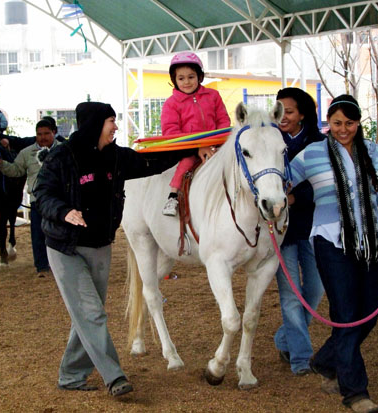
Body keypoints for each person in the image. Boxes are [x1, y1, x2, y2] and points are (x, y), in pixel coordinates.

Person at [33, 101, 201, 397]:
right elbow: (42, 194)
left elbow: (153, 162)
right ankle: (114, 377)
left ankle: (71, 375)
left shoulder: (115, 157)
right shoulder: (62, 156)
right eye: (111, 120)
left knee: (86, 314)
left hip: (99, 245)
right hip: (65, 246)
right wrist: (63, 211)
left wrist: (192, 147)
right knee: (92, 314)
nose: (116, 126)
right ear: (95, 124)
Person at [289, 95, 378, 413]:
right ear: (327, 123)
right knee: (346, 317)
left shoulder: (374, 153)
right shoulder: (312, 153)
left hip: (372, 244)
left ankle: (327, 360)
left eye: (350, 123)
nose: (343, 129)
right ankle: (355, 393)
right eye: (337, 123)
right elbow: (282, 178)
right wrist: (282, 196)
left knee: (369, 314)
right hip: (330, 242)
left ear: (358, 123)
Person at [273, 88, 326, 376]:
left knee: (316, 290)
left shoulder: (319, 143)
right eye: (279, 110)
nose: (283, 116)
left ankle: (284, 338)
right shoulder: (269, 139)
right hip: (281, 230)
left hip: (314, 226)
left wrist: (293, 199)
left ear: (303, 114)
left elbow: (322, 184)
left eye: (289, 111)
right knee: (291, 294)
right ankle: (301, 359)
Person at [161, 51, 231, 216]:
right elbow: (170, 131)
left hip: (216, 144)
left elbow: (223, 120)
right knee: (186, 164)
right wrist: (196, 147)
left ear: (200, 77)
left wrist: (219, 141)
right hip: (188, 148)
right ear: (174, 80)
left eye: (191, 77)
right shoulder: (171, 104)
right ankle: (173, 196)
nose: (186, 82)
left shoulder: (213, 95)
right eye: (181, 78)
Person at [0, 119, 59, 276]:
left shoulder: (64, 150)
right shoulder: (26, 153)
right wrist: (0, 164)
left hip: (59, 200)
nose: (42, 137)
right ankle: (42, 267)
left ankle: (59, 265)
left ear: (54, 132)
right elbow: (16, 170)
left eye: (46, 133)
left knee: (60, 234)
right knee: (38, 235)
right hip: (37, 200)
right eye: (39, 134)